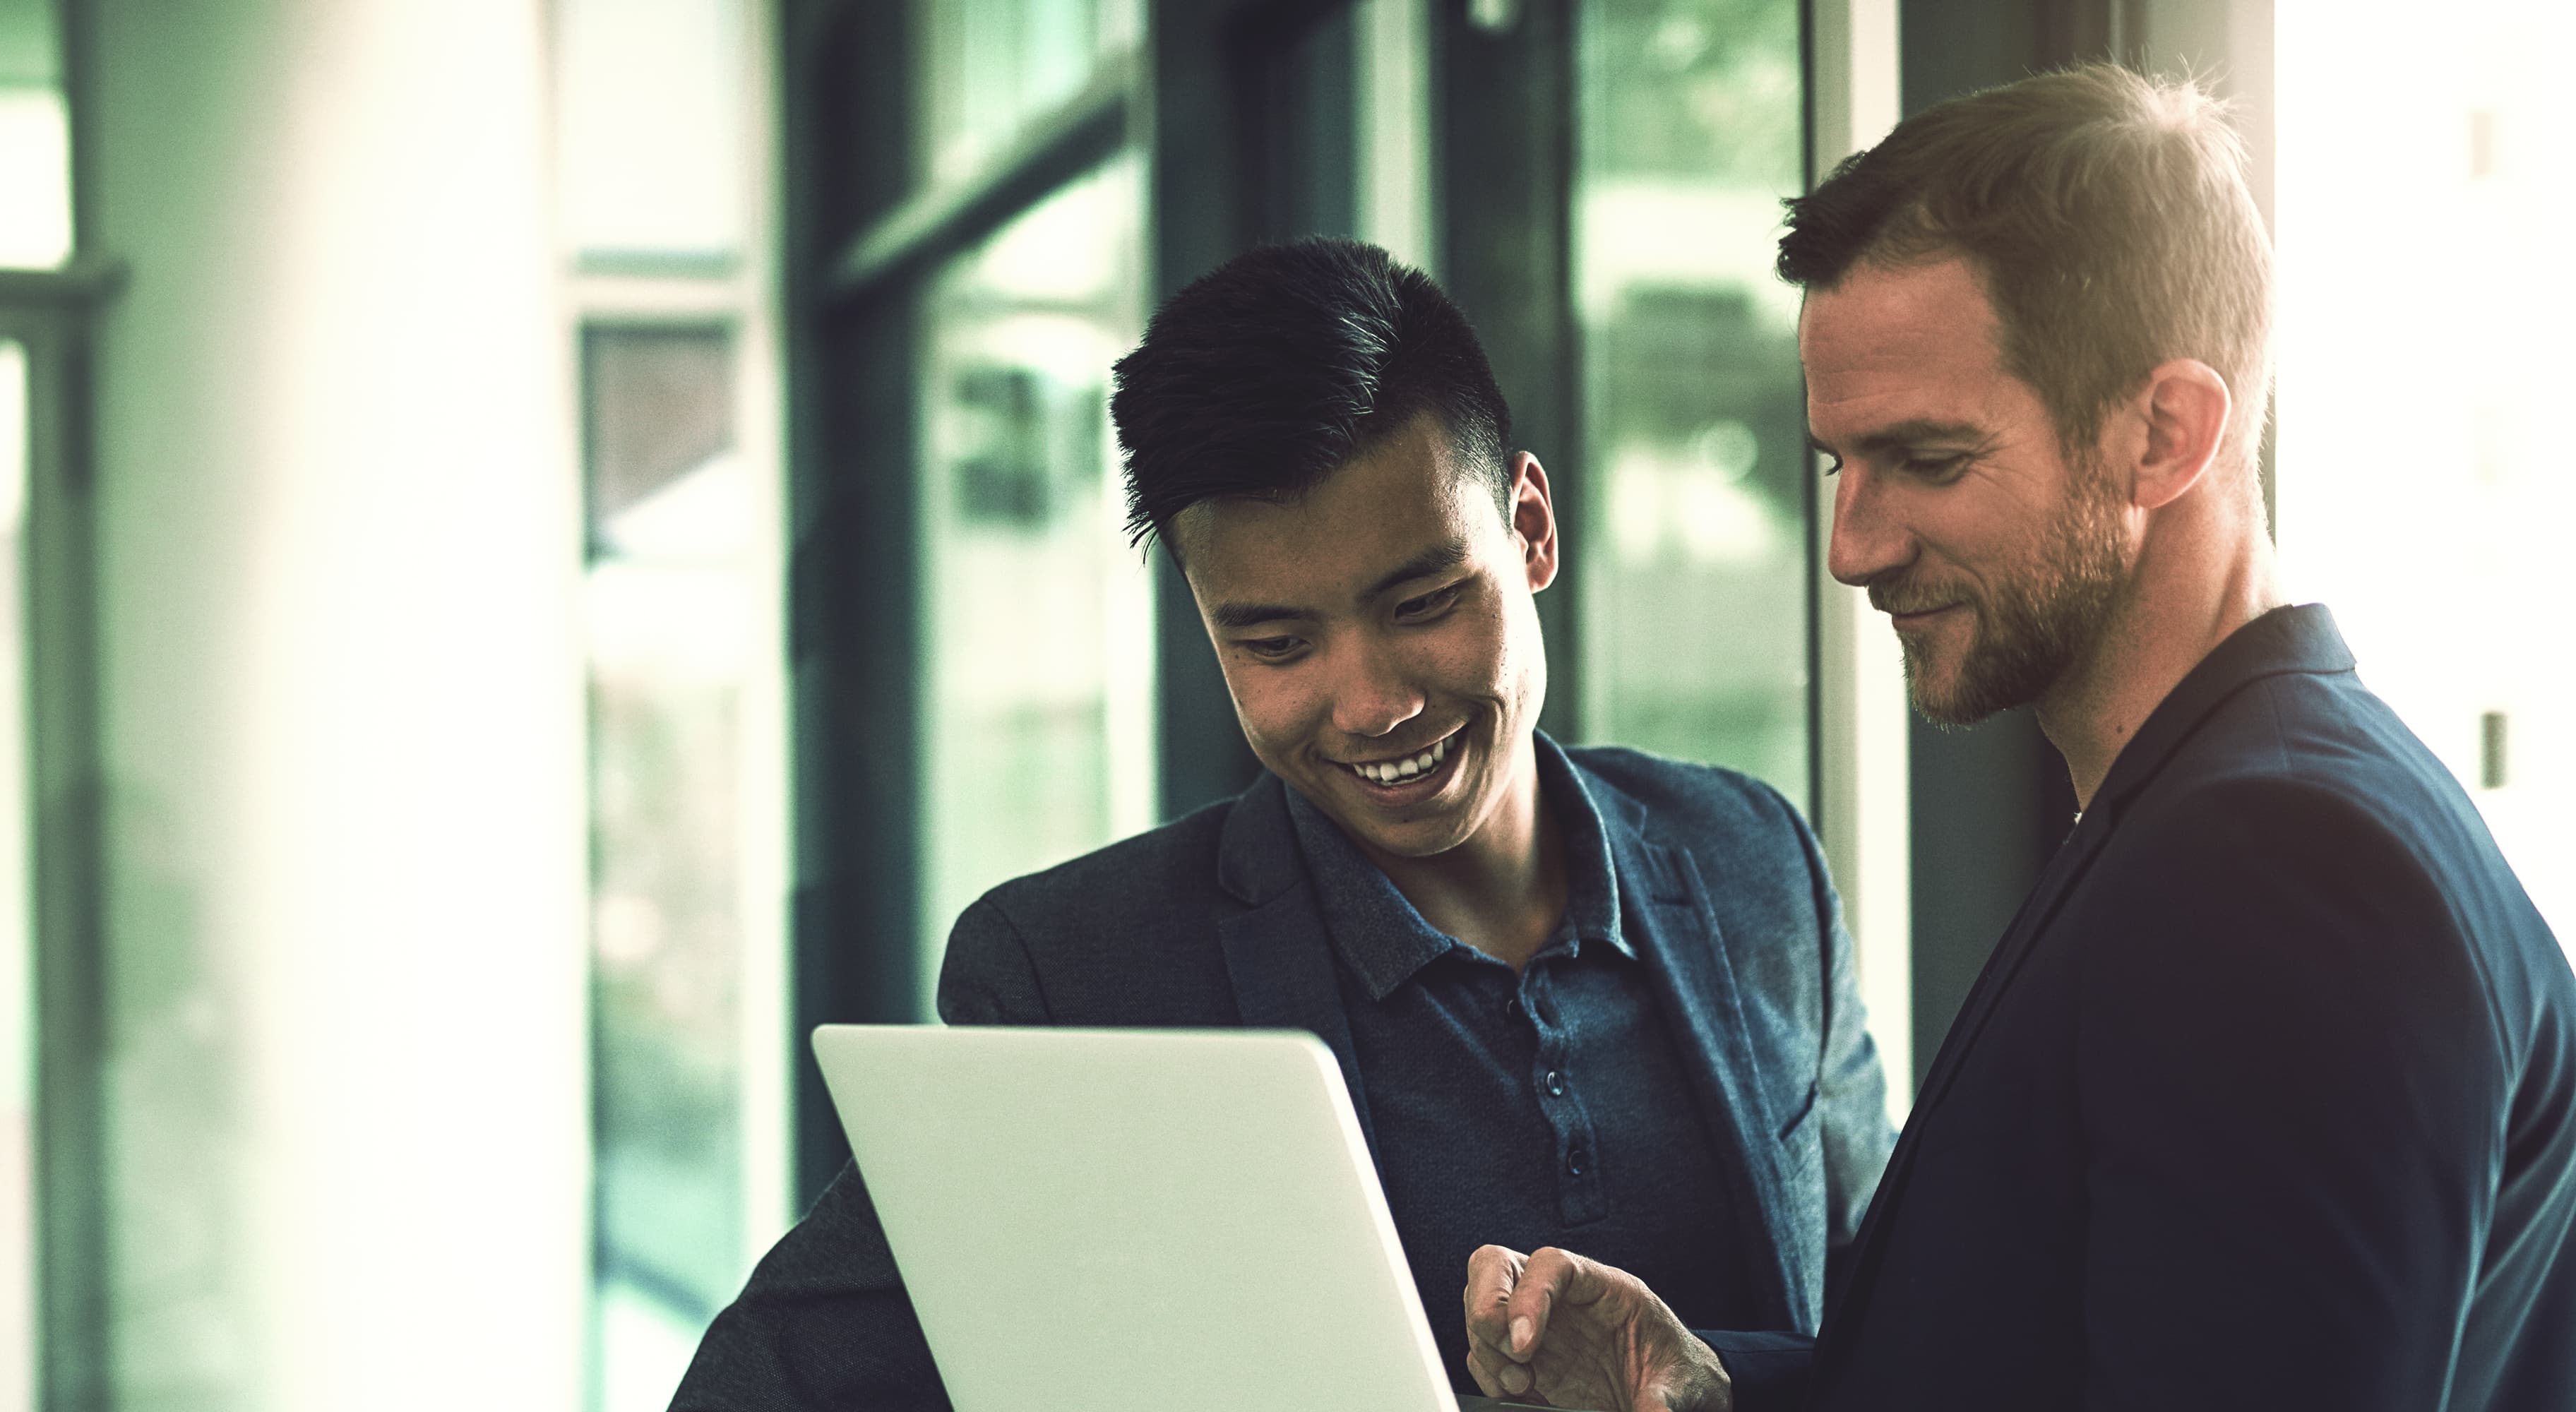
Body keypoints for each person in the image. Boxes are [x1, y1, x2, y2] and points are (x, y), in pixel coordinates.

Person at [1462, 64, 2576, 1412]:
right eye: (1836, 465)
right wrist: (1707, 1393)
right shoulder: (2226, 810)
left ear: (2165, 434)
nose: (1851, 547)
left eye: (1927, 461)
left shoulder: (2277, 868)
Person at [671, 239, 1893, 1410]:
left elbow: (1909, 1335)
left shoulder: (1752, 861)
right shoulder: (1082, 979)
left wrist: (1711, 1380)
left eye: (1421, 602)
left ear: (1529, 529)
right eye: (1274, 643)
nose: (1370, 704)